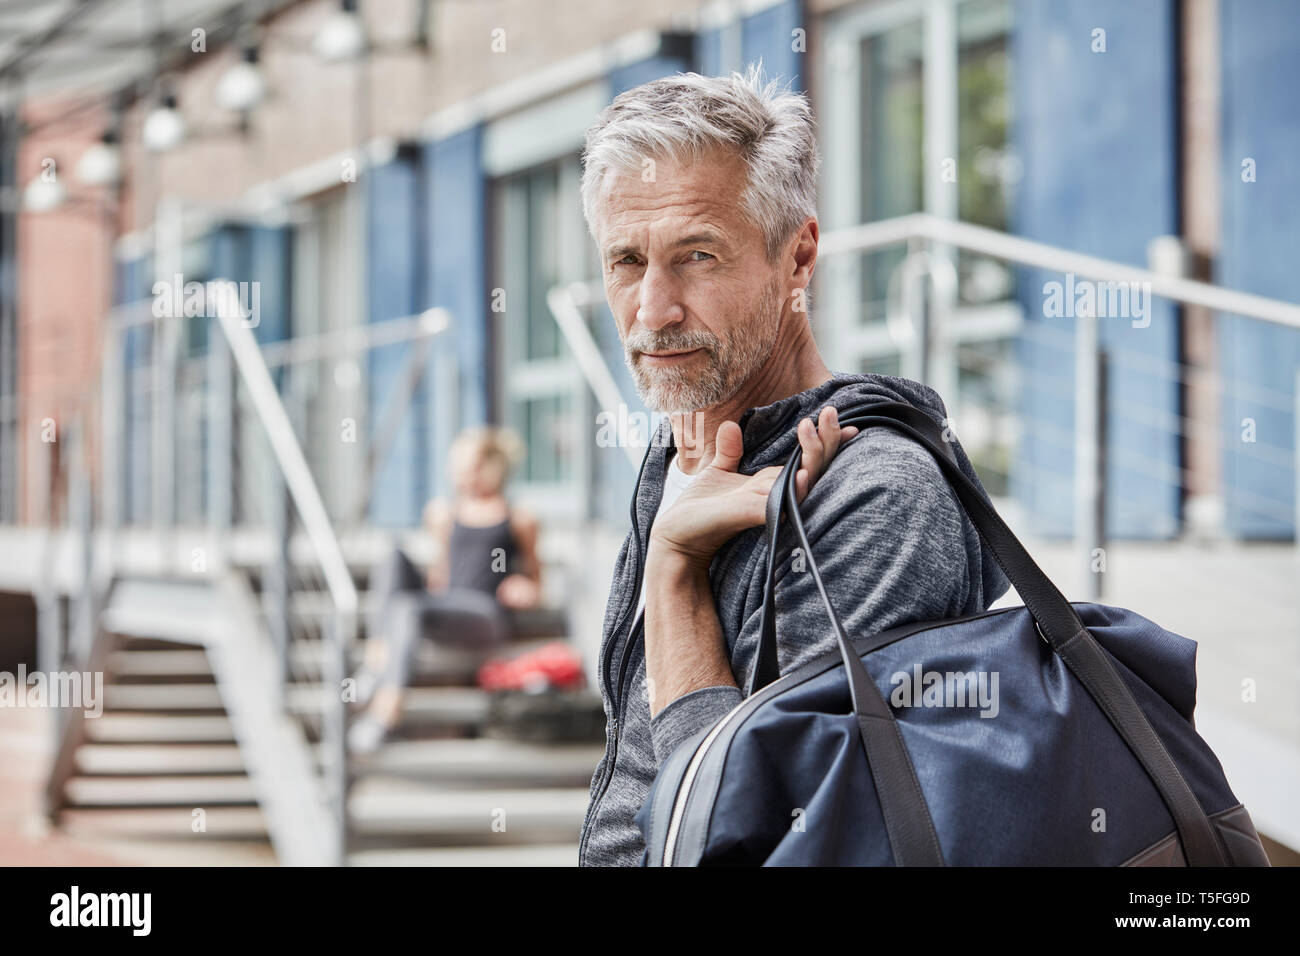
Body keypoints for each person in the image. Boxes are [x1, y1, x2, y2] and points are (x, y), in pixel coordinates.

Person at [576, 67, 1010, 866]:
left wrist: (675, 576)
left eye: (697, 256)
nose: (654, 311)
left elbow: (767, 837)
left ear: (798, 257)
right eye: (627, 261)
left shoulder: (876, 494)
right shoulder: (679, 457)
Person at [348, 426, 542, 754]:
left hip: (485, 615)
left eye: (469, 466)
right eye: (457, 466)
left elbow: (537, 581)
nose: (460, 474)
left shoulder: (519, 520)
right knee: (393, 556)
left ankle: (385, 710)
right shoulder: (443, 515)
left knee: (409, 607)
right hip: (448, 605)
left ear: (492, 468)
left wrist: (525, 586)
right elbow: (443, 569)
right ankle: (378, 657)